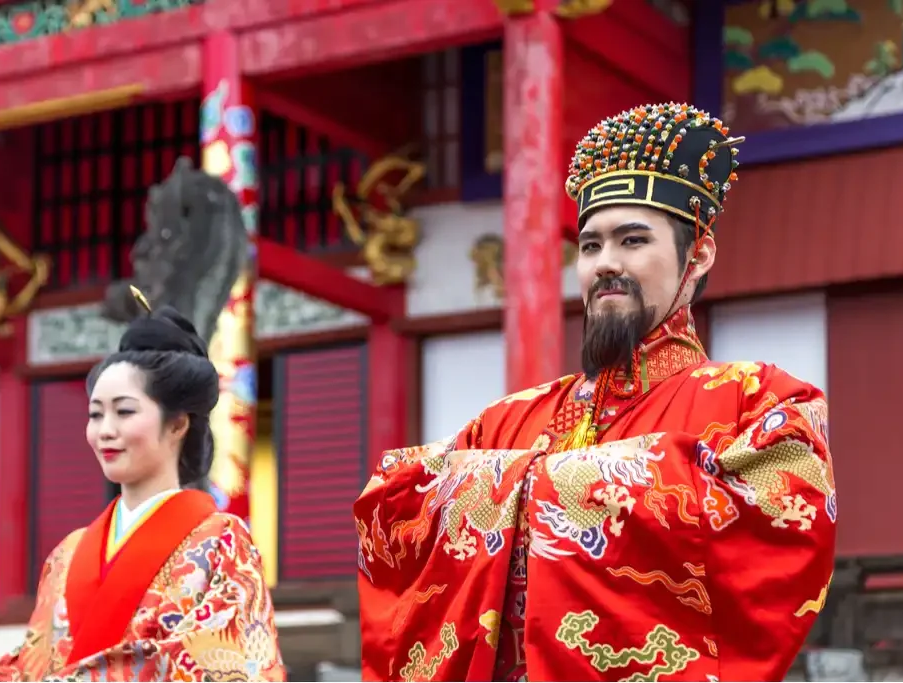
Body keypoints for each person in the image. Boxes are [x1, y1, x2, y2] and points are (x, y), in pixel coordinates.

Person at [354, 103, 836, 682]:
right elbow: (392, 505)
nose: (606, 264)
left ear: (698, 254)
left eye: (632, 241)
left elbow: (782, 532)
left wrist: (516, 487)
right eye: (589, 247)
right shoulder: (507, 421)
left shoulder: (759, 402)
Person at [0, 291, 285, 681]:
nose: (105, 431)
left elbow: (230, 665)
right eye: (96, 414)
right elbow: (31, 663)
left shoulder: (222, 542)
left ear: (177, 424)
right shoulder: (66, 555)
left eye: (124, 412)